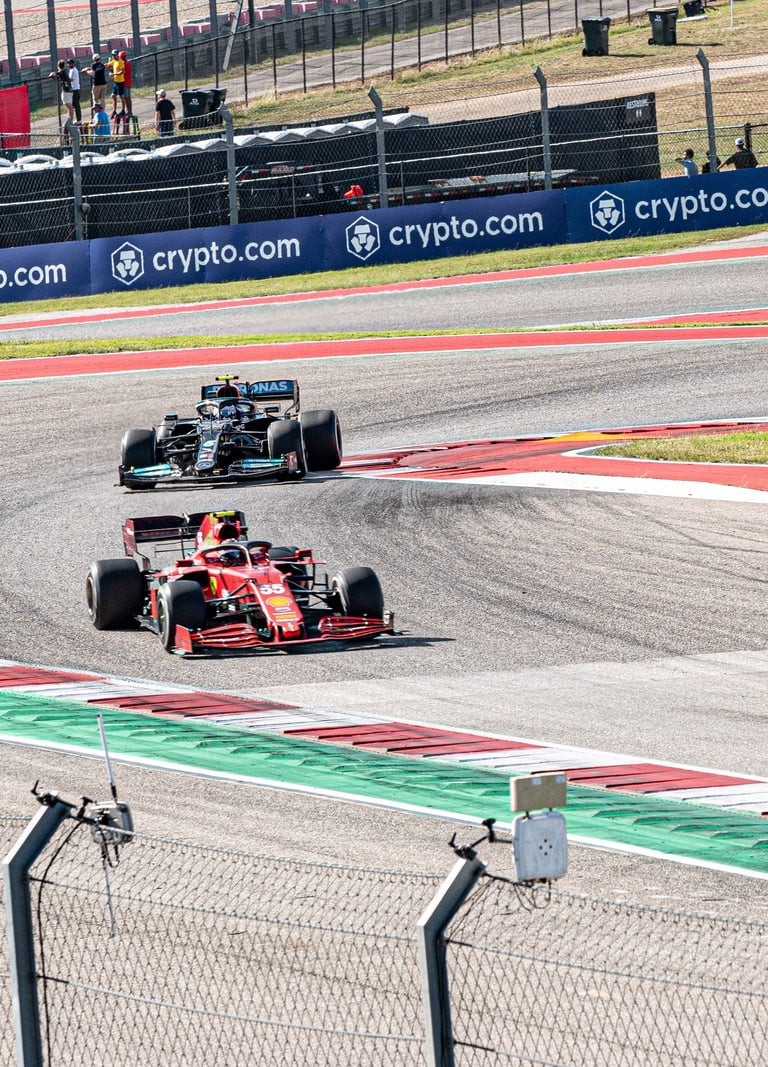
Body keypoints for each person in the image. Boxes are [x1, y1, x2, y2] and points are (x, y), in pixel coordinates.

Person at [107, 49, 126, 117]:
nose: (113, 56)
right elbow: (108, 65)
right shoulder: (114, 61)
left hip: (120, 81)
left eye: (114, 55)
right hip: (116, 81)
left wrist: (114, 74)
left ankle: (123, 110)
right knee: (113, 95)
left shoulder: (120, 62)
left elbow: (123, 71)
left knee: (121, 96)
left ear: (117, 55)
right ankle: (114, 111)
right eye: (112, 55)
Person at [119, 51, 132, 116]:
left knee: (126, 98)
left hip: (124, 83)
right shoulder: (128, 62)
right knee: (128, 97)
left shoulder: (123, 63)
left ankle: (128, 111)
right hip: (128, 82)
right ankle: (130, 111)